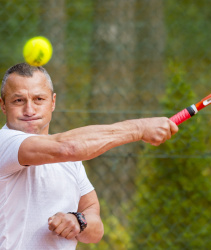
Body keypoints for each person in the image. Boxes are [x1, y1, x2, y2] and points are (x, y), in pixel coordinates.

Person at [0, 63, 179, 250]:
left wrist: (78, 221)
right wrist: (139, 128)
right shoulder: (4, 143)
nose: (29, 110)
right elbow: (68, 147)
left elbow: (96, 229)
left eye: (38, 99)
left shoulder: (71, 163)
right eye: (18, 101)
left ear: (53, 102)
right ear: (3, 105)